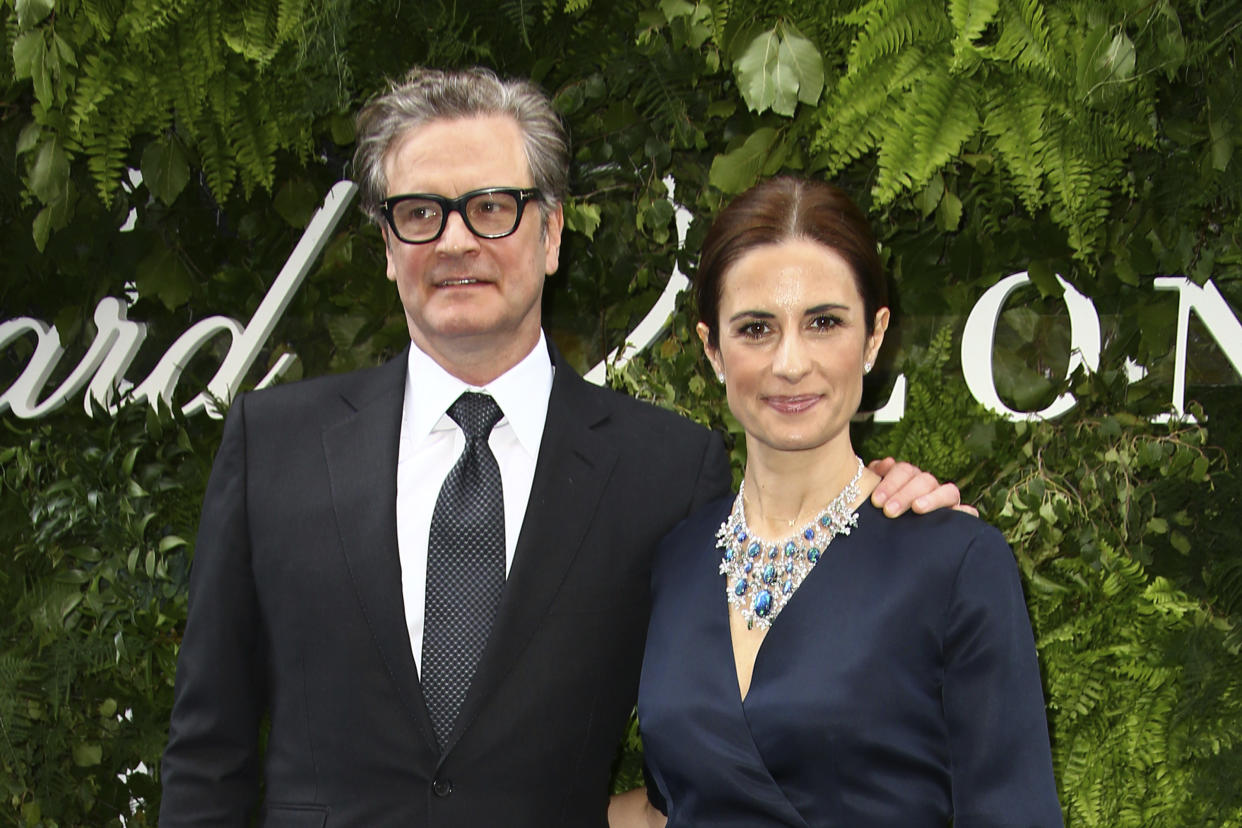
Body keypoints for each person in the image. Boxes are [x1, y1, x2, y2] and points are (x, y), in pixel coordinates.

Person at [158, 68, 965, 827]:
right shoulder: (275, 445)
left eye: (493, 207)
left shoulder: (666, 472)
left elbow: (745, 723)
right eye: (420, 212)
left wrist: (881, 511)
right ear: (387, 244)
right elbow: (207, 755)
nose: (455, 242)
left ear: (551, 233)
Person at [615, 177, 1062, 827]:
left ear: (875, 336)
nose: (790, 363)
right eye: (756, 328)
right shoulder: (675, 562)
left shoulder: (956, 562)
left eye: (823, 322)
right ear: (713, 348)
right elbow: (669, 810)